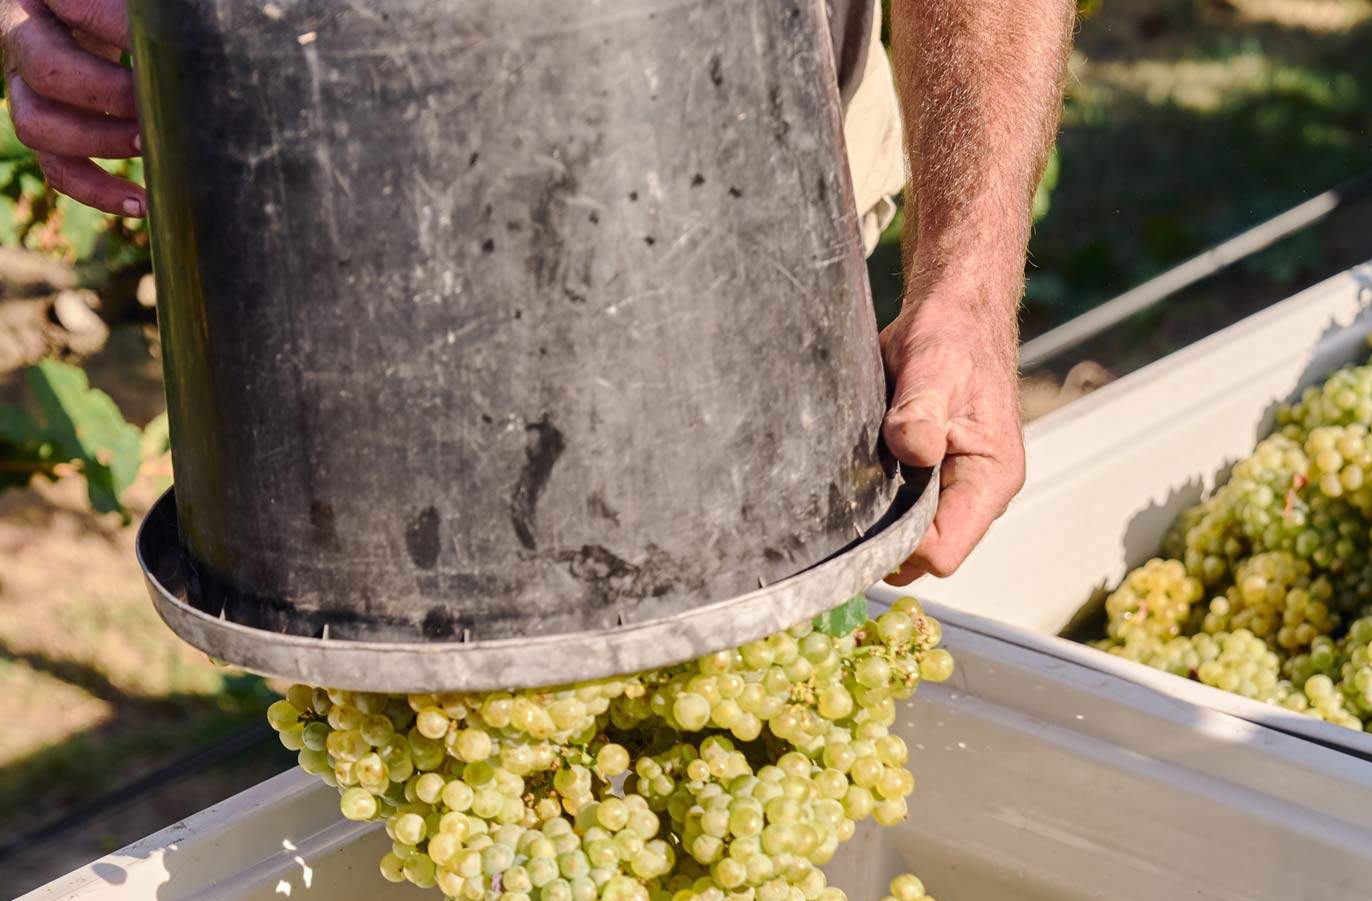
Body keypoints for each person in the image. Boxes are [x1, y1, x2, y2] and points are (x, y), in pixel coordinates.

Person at [0, 0, 1072, 584]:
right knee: (417, 740)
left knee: (734, 679)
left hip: (744, 211)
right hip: (314, 267)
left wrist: (968, 284)